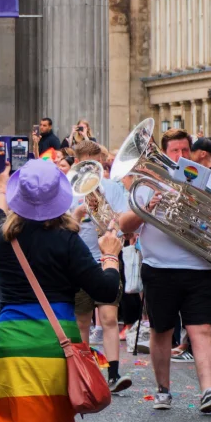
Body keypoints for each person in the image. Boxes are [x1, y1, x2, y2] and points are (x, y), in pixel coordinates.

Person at [0, 159, 121, 422]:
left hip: (7, 345)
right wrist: (110, 256)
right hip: (55, 346)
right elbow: (106, 289)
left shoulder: (0, 236)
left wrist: (4, 185)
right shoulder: (67, 241)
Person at [118, 127, 211, 413]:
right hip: (159, 269)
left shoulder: (205, 180)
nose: (180, 157)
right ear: (163, 152)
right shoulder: (145, 184)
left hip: (199, 267)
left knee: (202, 329)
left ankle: (207, 391)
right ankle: (163, 390)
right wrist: (147, 205)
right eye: (174, 151)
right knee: (161, 331)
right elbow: (125, 225)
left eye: (184, 151)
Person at [69, 140, 132, 392]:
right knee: (82, 320)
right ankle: (86, 373)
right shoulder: (67, 189)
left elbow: (123, 221)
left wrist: (107, 217)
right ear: (77, 163)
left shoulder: (111, 187)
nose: (92, 171)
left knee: (109, 317)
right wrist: (79, 212)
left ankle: (114, 374)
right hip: (79, 260)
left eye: (96, 165)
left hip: (107, 258)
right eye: (86, 165)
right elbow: (62, 226)